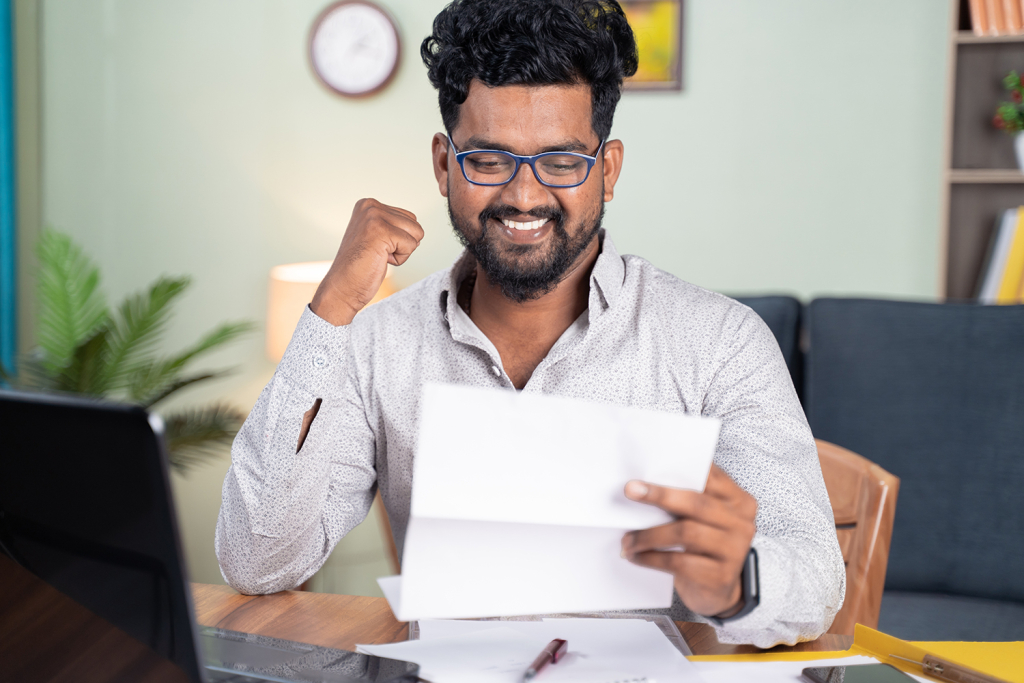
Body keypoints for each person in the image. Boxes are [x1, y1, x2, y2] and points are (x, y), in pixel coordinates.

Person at [216, 0, 844, 648]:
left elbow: (816, 579)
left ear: (608, 168)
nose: (523, 195)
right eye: (488, 160)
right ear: (443, 164)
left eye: (563, 162)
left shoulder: (720, 343)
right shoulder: (378, 341)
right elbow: (256, 560)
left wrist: (738, 583)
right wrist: (330, 312)